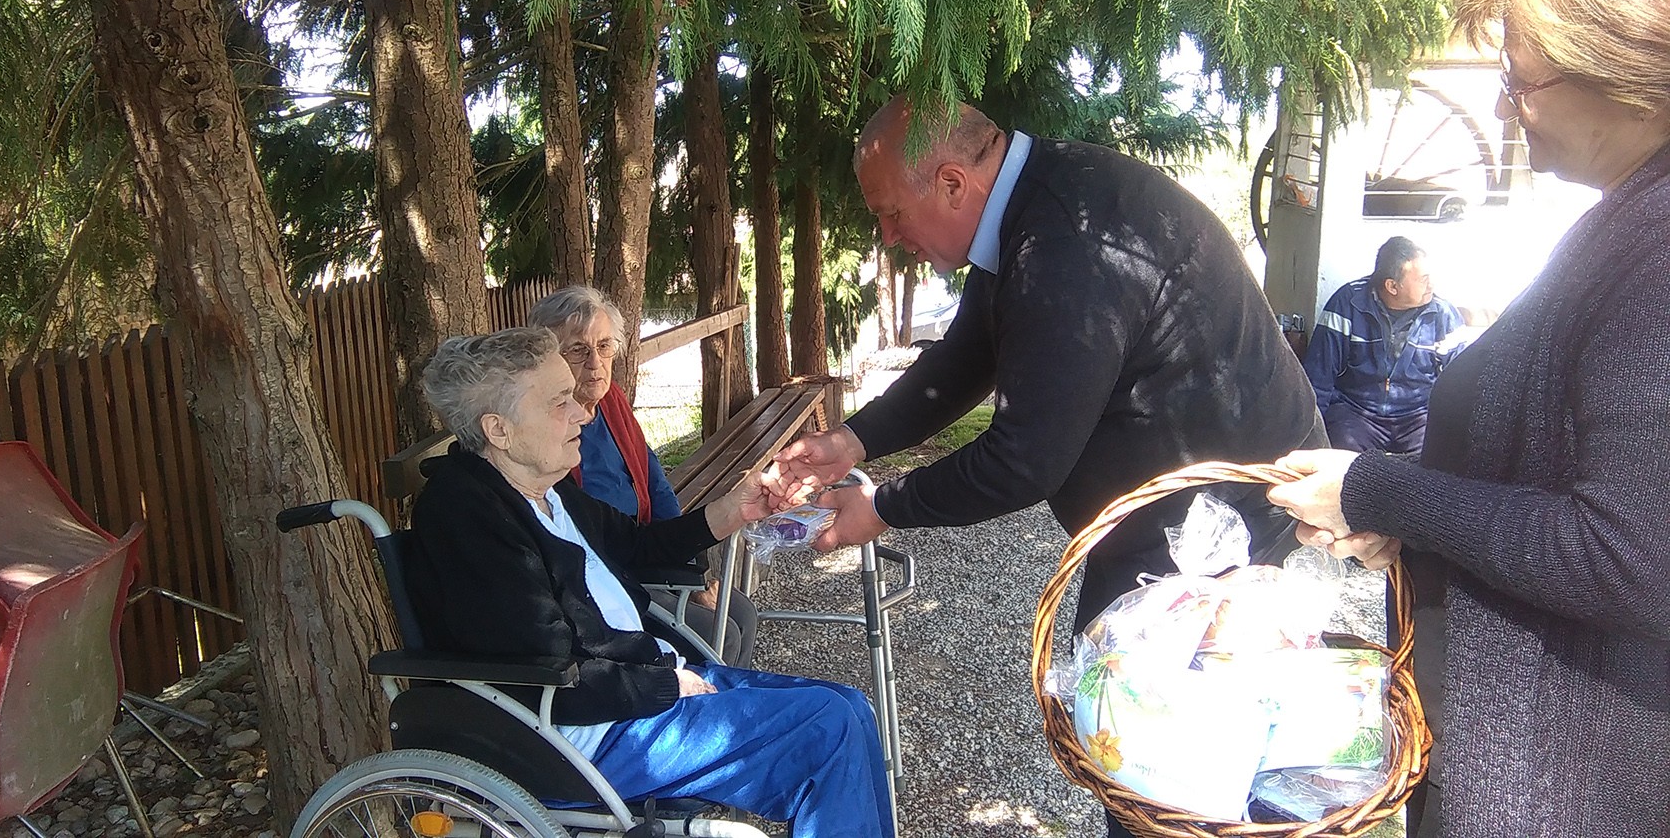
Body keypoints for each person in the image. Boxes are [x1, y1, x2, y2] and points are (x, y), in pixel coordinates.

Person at [1266, 0, 1670, 835]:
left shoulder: (1658, 252)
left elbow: (1631, 558)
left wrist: (1379, 490)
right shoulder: (1624, 224)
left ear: (1624, 74)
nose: (1500, 107)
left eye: (1520, 81)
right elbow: (1546, 480)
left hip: (1564, 792)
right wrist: (1406, 519)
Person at [775, 96, 1326, 642]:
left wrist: (883, 507)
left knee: (1128, 694)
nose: (889, 237)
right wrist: (853, 440)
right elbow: (968, 356)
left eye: (892, 213)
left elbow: (1024, 460)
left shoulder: (1061, 242)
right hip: (1158, 524)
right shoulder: (1028, 206)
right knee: (1097, 685)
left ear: (952, 184)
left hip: (1228, 525)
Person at [405, 327, 894, 838]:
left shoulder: (547, 489)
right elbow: (542, 667)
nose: (583, 414)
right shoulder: (467, 517)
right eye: (558, 402)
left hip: (637, 691)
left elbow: (637, 545)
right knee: (827, 727)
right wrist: (662, 685)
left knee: (851, 707)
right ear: (499, 430)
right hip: (583, 734)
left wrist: (736, 508)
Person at [528, 285, 759, 668]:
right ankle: (702, 702)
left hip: (645, 548)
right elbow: (576, 536)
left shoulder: (611, 402)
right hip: (610, 571)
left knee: (743, 613)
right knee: (719, 632)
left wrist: (690, 570)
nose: (595, 363)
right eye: (577, 350)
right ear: (549, 358)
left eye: (604, 346)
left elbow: (655, 482)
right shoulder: (547, 429)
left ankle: (734, 699)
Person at [1302, 236, 1470, 455]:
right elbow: (1319, 375)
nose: (1432, 285)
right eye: (1423, 279)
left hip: (1418, 416)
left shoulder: (1443, 314)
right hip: (1357, 414)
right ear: (1392, 286)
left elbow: (1464, 381)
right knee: (1345, 458)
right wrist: (1309, 439)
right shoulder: (1348, 303)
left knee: (1432, 460)